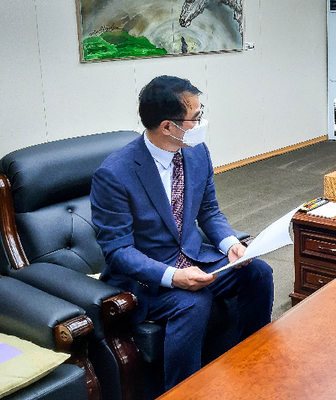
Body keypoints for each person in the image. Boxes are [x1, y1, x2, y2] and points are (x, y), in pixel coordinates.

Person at [90, 75, 274, 391]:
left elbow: (209, 212)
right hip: (148, 278)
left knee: (258, 272)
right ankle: (182, 392)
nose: (202, 123)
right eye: (196, 118)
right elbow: (118, 251)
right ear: (168, 127)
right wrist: (174, 277)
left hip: (194, 257)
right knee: (193, 303)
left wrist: (230, 243)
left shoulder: (196, 152)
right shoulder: (114, 174)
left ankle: (251, 365)